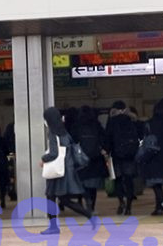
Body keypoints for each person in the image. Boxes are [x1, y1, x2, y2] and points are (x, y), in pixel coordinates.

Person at [40, 107, 95, 235]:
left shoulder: (53, 133)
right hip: (66, 170)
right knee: (64, 199)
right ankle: (88, 214)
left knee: (51, 197)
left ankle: (53, 227)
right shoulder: (64, 132)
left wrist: (43, 159)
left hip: (56, 171)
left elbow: (54, 153)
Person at [139, 98, 163, 216]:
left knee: (155, 183)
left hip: (152, 156)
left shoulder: (149, 124)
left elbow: (145, 139)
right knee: (160, 182)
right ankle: (159, 207)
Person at [71, 106, 108, 212]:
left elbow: (73, 141)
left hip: (81, 159)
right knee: (93, 186)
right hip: (95, 159)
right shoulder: (96, 125)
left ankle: (84, 202)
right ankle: (92, 206)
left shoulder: (76, 126)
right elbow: (104, 139)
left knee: (83, 184)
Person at [106, 100, 140, 215]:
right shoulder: (131, 120)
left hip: (116, 155)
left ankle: (121, 202)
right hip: (130, 155)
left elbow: (108, 138)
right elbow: (139, 135)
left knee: (118, 180)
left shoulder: (112, 121)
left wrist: (106, 151)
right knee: (129, 180)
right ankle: (129, 206)